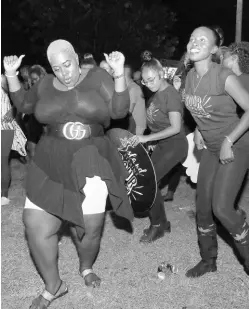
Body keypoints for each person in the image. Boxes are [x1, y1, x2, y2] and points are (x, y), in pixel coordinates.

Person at [4, 40, 133, 308]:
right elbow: (25, 106)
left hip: (90, 157)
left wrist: (119, 73)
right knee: (35, 225)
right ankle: (54, 286)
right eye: (57, 67)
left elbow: (119, 111)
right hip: (50, 158)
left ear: (75, 58)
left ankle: (86, 267)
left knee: (89, 231)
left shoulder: (97, 76)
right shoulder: (44, 84)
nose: (65, 72)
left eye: (68, 64)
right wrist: (11, 74)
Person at [184, 26, 249, 278]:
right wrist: (200, 129)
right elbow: (198, 107)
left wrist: (229, 140)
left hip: (236, 144)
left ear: (213, 49)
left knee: (222, 208)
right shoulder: (191, 76)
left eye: (202, 39)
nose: (194, 42)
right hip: (210, 146)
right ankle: (208, 260)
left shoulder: (224, 75)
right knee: (203, 207)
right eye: (191, 38)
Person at [130, 52, 188, 243]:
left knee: (149, 182)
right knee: (146, 180)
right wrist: (153, 141)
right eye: (145, 81)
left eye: (151, 79)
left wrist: (147, 139)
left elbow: (176, 127)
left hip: (175, 144)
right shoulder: (155, 94)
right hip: (162, 144)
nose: (148, 84)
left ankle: (158, 225)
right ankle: (161, 222)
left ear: (161, 73)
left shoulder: (170, 94)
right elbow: (158, 124)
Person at [1, 74, 27, 205]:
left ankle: (3, 195)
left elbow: (18, 98)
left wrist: (13, 110)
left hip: (3, 126)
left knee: (2, 159)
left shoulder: (1, 79)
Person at [25, 64, 47, 158]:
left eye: (36, 78)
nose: (34, 81)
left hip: (45, 120)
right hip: (33, 120)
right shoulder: (31, 89)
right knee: (32, 147)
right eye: (32, 79)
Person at [123, 64, 147, 135]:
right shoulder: (129, 87)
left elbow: (129, 111)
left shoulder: (133, 88)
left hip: (137, 126)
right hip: (133, 125)